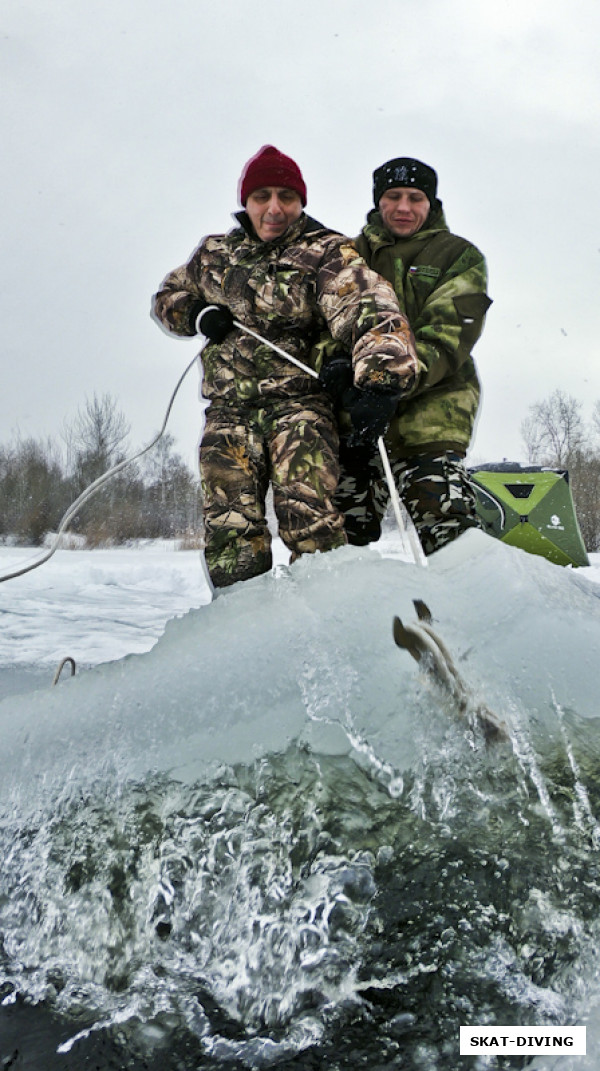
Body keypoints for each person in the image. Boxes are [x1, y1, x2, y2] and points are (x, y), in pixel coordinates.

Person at [152, 145, 420, 589]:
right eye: (262, 197)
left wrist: (381, 378)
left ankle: (328, 621)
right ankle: (244, 632)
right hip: (228, 413)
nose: (274, 209)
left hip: (300, 407)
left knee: (310, 518)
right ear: (246, 202)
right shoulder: (214, 255)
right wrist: (195, 313)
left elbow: (369, 305)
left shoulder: (326, 252)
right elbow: (167, 298)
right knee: (230, 531)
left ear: (301, 202)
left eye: (286, 197)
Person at [332, 156, 492, 555]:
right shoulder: (345, 257)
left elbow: (447, 335)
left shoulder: (460, 256)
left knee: (452, 539)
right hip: (358, 420)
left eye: (415, 197)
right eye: (394, 196)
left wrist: (387, 383)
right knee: (336, 541)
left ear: (431, 203)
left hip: (433, 419)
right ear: (377, 200)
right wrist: (333, 367)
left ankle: (468, 613)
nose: (404, 207)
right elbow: (324, 325)